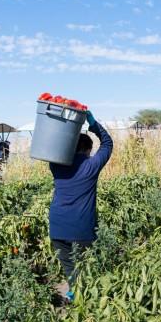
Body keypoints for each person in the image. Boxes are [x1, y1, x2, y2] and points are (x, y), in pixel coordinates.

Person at [48, 111, 113, 301]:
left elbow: (53, 147)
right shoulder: (91, 166)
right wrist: (92, 123)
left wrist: (64, 127)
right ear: (87, 150)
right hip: (82, 229)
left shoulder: (56, 166)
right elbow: (108, 143)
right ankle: (85, 300)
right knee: (86, 266)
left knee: (70, 267)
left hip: (58, 228)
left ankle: (74, 294)